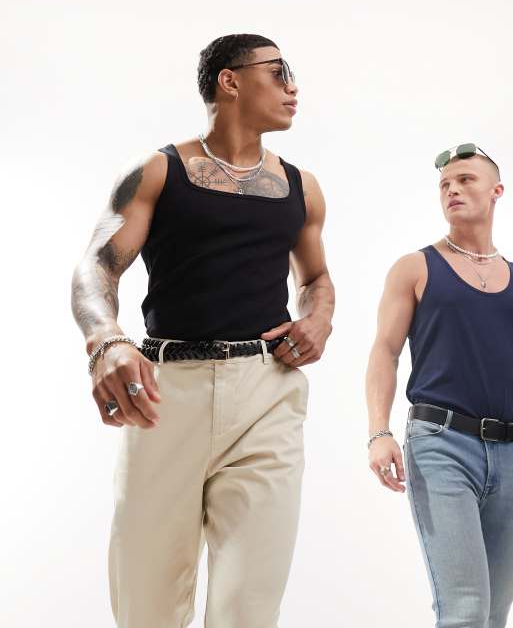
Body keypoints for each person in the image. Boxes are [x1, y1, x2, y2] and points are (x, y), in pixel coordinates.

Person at [71, 33, 335, 628]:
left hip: (269, 393)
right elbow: (96, 267)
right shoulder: (157, 171)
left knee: (249, 605)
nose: (293, 86)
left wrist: (319, 319)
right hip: (165, 394)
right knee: (147, 604)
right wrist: (105, 341)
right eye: (279, 71)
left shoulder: (302, 187)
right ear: (230, 80)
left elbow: (317, 278)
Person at [365, 142, 513, 628]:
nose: (452, 190)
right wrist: (379, 431)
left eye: (466, 180)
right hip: (441, 445)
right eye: (445, 184)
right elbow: (385, 351)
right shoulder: (416, 267)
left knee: (493, 614)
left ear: (496, 191)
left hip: (510, 452)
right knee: (465, 609)